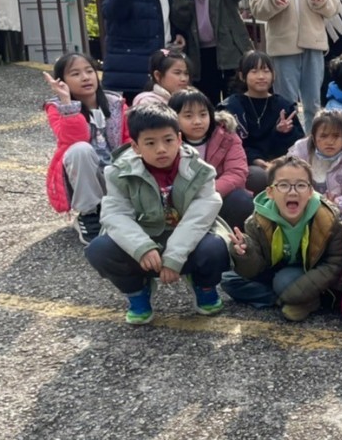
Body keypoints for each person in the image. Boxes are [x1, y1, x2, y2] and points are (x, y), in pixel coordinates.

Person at [84, 105, 228, 323]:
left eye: (168, 140)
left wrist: (175, 257)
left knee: (216, 246)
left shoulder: (201, 171)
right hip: (145, 238)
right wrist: (142, 247)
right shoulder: (118, 172)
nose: (161, 149)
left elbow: (198, 219)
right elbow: (115, 215)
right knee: (100, 249)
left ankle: (204, 285)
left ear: (179, 139)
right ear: (135, 146)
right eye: (150, 143)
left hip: (187, 238)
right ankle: (137, 291)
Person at [221, 154, 342, 320]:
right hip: (274, 269)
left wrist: (293, 292)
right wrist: (245, 253)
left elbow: (335, 263)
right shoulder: (257, 221)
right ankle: (287, 300)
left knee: (283, 281)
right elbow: (255, 268)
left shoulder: (328, 219)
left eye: (301, 185)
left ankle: (297, 297)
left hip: (309, 273)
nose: (292, 192)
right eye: (283, 185)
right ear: (270, 192)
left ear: (310, 192)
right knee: (228, 279)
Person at [44, 51, 130, 245]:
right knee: (80, 149)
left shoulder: (115, 103)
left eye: (89, 71)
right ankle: (89, 214)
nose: (85, 77)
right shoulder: (56, 108)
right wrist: (67, 103)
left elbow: (129, 140)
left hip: (114, 173)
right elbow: (73, 139)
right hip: (84, 179)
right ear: (62, 81)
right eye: (75, 74)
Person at [219, 51, 304, 189]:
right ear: (242, 76)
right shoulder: (231, 107)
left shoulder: (283, 105)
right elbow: (229, 144)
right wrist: (257, 161)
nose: (261, 76)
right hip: (246, 163)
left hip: (281, 161)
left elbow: (299, 144)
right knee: (259, 176)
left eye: (266, 71)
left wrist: (284, 133)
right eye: (254, 71)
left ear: (273, 75)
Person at [170, 88, 251, 231]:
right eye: (188, 116)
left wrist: (206, 193)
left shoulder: (227, 136)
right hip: (181, 202)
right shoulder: (167, 141)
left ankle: (231, 239)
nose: (197, 121)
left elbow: (237, 173)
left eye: (203, 114)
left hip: (218, 195)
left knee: (241, 198)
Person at [288, 110, 342, 214]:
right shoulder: (299, 153)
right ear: (314, 138)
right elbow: (287, 184)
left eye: (336, 136)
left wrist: (334, 203)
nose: (330, 142)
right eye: (323, 136)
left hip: (338, 213)